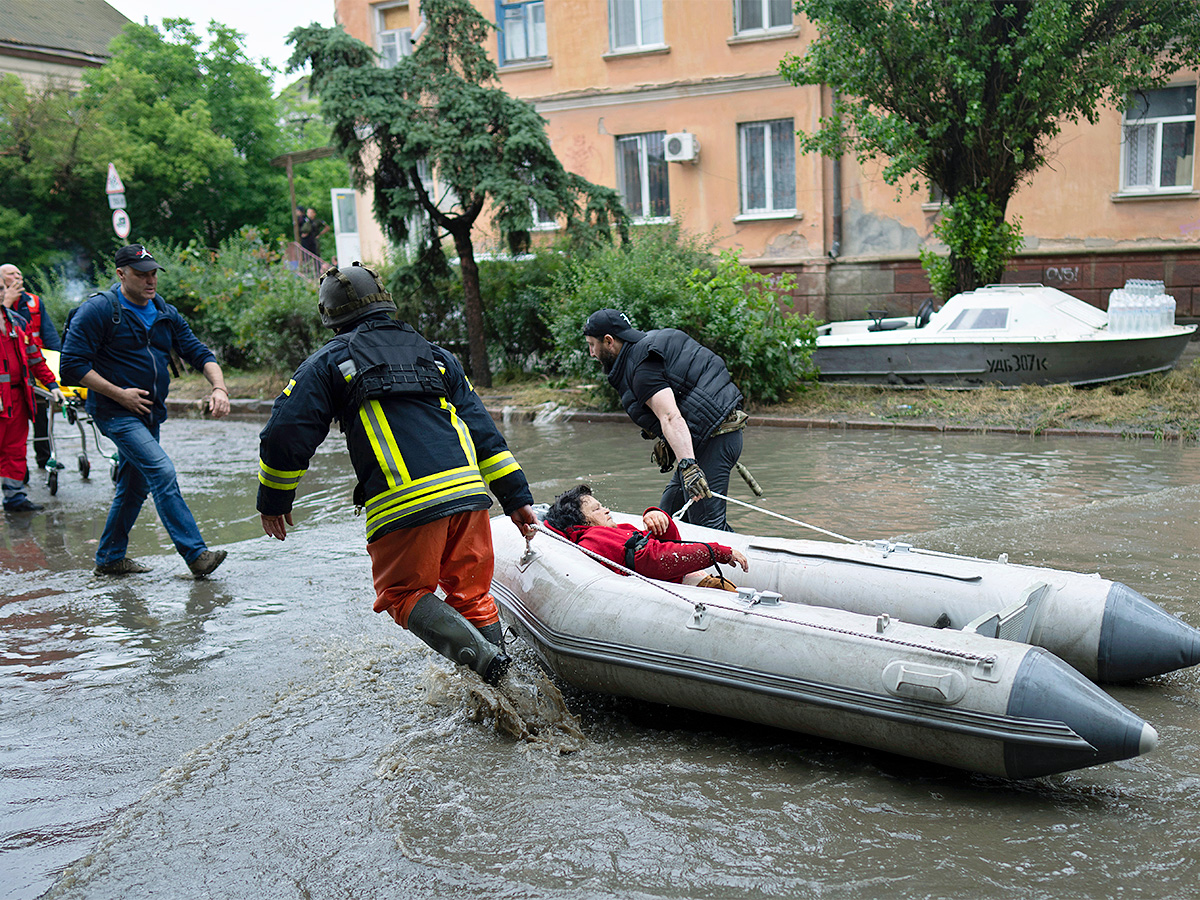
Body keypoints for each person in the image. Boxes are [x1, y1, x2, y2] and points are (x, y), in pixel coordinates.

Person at [256, 262, 536, 685]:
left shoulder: (331, 361)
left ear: (331, 317)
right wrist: (515, 498)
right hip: (470, 495)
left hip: (403, 502)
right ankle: (506, 689)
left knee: (402, 595)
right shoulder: (437, 355)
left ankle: (490, 668)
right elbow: (483, 430)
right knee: (472, 594)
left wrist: (275, 499)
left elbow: (285, 432)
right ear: (386, 303)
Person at [59, 244, 230, 578]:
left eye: (153, 273)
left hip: (150, 413)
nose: (150, 280)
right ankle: (196, 555)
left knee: (134, 486)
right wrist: (119, 394)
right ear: (121, 274)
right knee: (162, 471)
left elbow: (198, 352)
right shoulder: (98, 310)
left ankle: (109, 557)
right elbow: (71, 365)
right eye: (141, 274)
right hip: (115, 411)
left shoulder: (164, 310)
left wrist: (219, 387)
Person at [583, 308, 746, 531]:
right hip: (709, 438)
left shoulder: (641, 365)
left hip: (714, 441)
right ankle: (658, 558)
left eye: (592, 345)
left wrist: (689, 467)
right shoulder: (650, 342)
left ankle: (735, 561)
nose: (592, 353)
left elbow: (670, 416)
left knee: (708, 527)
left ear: (609, 341)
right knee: (665, 520)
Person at [544, 484, 748, 585]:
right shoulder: (596, 539)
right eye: (597, 509)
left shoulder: (615, 530)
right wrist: (717, 552)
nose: (606, 510)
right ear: (582, 522)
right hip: (689, 592)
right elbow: (656, 559)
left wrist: (662, 522)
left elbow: (670, 546)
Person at [2, 297, 64, 511]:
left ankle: (15, 497)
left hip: (17, 396)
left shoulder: (17, 322)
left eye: (1, 288)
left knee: (15, 448)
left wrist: (52, 385)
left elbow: (35, 358)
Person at [2, 263, 62, 472]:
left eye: (20, 272)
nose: (18, 276)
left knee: (40, 415)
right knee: (9, 437)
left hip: (32, 372)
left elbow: (47, 336)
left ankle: (43, 458)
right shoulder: (7, 309)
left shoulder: (32, 303)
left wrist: (57, 371)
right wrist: (6, 301)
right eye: (11, 274)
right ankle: (18, 473)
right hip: (7, 385)